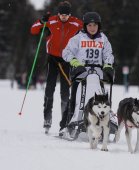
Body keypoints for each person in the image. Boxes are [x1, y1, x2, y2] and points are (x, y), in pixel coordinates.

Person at [30, 1, 83, 133]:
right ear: (58, 13)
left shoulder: (76, 23)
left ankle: (64, 122)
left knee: (65, 93)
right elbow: (33, 30)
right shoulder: (52, 21)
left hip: (67, 60)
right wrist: (42, 21)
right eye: (61, 14)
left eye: (66, 15)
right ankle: (47, 118)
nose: (63, 17)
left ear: (69, 14)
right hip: (52, 59)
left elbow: (89, 28)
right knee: (49, 89)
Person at [59, 12, 114, 136]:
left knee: (102, 99)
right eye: (89, 25)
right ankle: (65, 124)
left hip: (98, 73)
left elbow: (108, 54)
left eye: (95, 25)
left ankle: (105, 121)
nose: (92, 28)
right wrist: (75, 62)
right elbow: (66, 52)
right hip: (81, 72)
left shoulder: (103, 38)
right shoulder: (78, 37)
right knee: (74, 99)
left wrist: (108, 65)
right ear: (85, 26)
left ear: (98, 26)